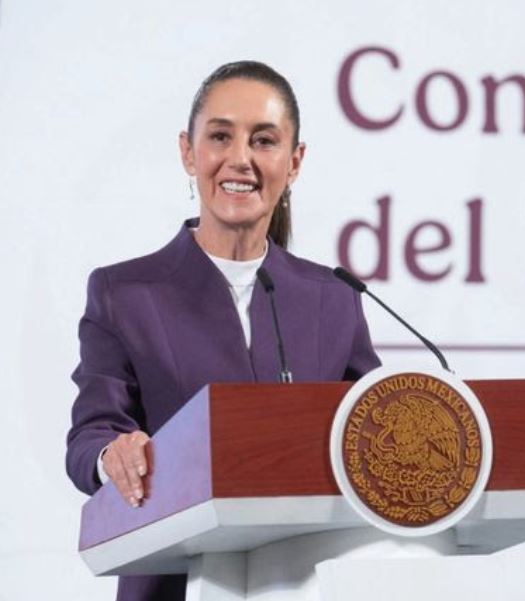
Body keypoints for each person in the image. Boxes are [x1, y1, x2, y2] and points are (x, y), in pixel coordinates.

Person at [65, 61, 381, 601]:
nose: (241, 159)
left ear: (294, 161)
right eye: (220, 136)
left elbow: (376, 425)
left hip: (299, 580)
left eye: (264, 140)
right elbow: (90, 435)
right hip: (171, 583)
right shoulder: (124, 294)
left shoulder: (333, 297)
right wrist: (111, 454)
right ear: (189, 152)